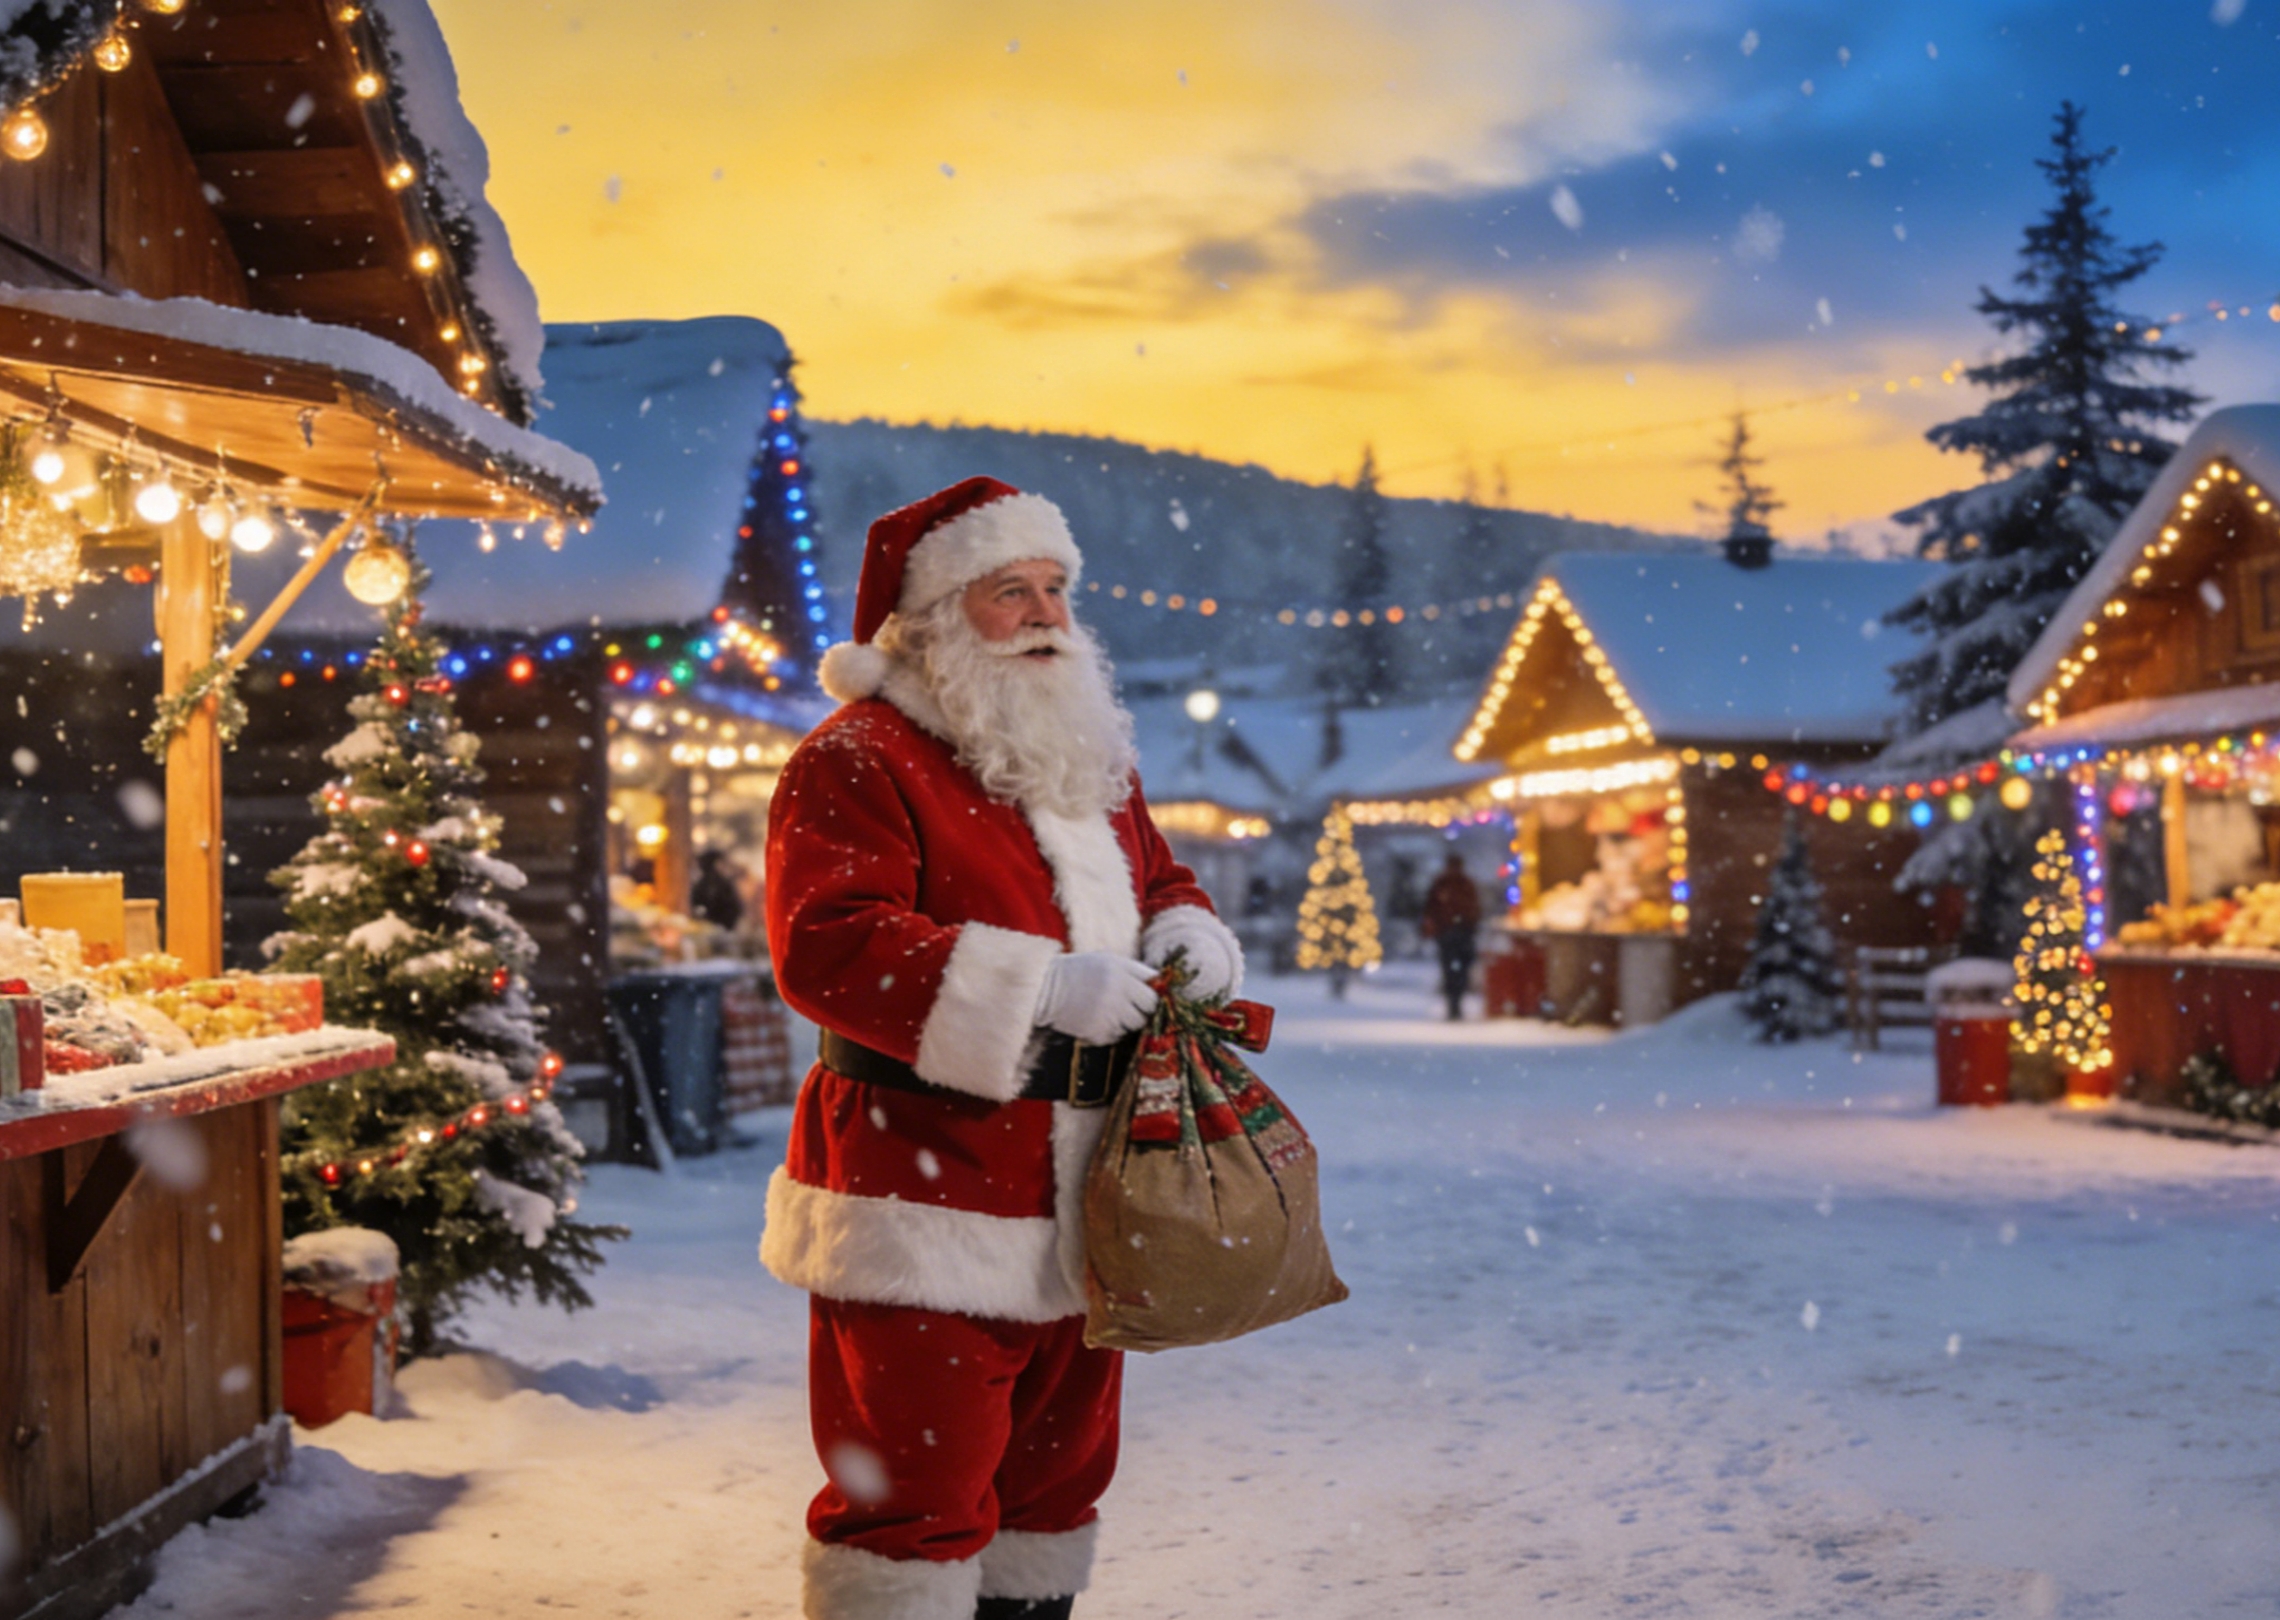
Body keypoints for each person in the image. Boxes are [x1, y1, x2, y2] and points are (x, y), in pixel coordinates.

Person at [759, 476, 1245, 1620]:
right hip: (925, 1190)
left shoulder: (1083, 755)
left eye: (1054, 588)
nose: (1043, 616)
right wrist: (1040, 988)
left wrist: (1187, 933)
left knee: (1052, 1491)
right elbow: (828, 944)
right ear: (932, 616)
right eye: (1008, 591)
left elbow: (1159, 877)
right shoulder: (859, 755)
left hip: (1090, 1185)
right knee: (911, 1499)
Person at [1420, 850, 1483, 1020]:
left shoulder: (1447, 884)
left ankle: (1454, 1004)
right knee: (1456, 971)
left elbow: (1430, 909)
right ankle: (1454, 1004)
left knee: (1453, 970)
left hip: (1454, 933)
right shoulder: (1457, 884)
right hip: (1455, 933)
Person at [689, 848, 744, 931]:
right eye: (721, 863)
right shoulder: (717, 883)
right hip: (719, 928)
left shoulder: (705, 882)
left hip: (715, 928)